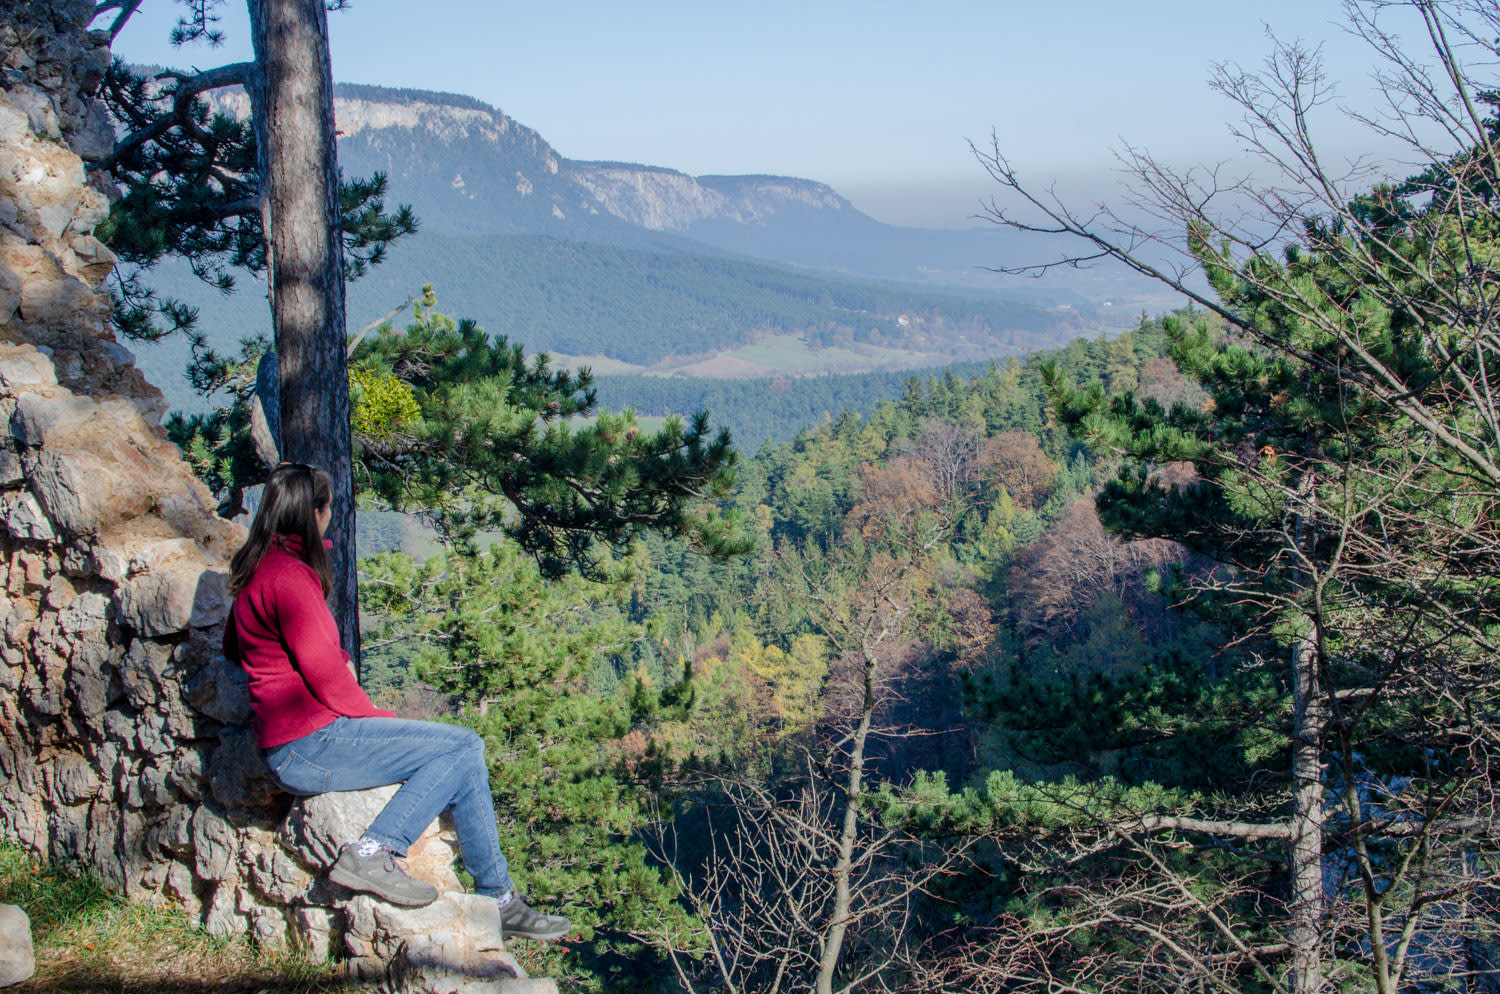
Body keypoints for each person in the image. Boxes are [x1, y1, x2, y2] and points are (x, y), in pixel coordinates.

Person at [222, 462, 570, 942]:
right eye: (327, 508)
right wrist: (380, 721)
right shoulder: (289, 579)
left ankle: (499, 898)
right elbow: (328, 679)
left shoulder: (256, 566)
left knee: (463, 755)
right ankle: (375, 853)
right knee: (463, 747)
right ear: (314, 513)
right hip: (312, 741)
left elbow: (235, 647)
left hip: (294, 742)